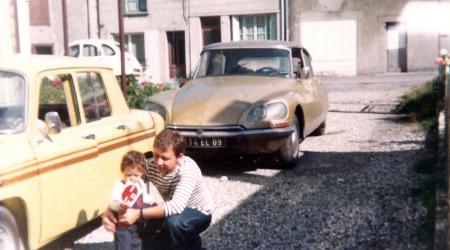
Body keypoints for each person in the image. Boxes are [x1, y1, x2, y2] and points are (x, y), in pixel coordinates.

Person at [103, 129, 213, 250]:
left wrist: (138, 213)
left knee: (175, 223)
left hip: (197, 212)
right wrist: (110, 209)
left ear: (179, 157)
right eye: (156, 155)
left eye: (165, 158)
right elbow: (128, 186)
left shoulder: (188, 170)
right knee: (125, 212)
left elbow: (176, 207)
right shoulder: (151, 165)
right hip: (169, 211)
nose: (158, 162)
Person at [110, 150, 157, 250]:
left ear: (141, 173)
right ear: (122, 171)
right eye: (128, 175)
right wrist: (120, 205)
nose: (132, 178)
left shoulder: (140, 184)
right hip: (123, 224)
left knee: (137, 244)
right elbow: (113, 203)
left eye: (136, 175)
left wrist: (152, 202)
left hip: (137, 222)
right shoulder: (120, 186)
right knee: (124, 245)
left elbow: (144, 196)